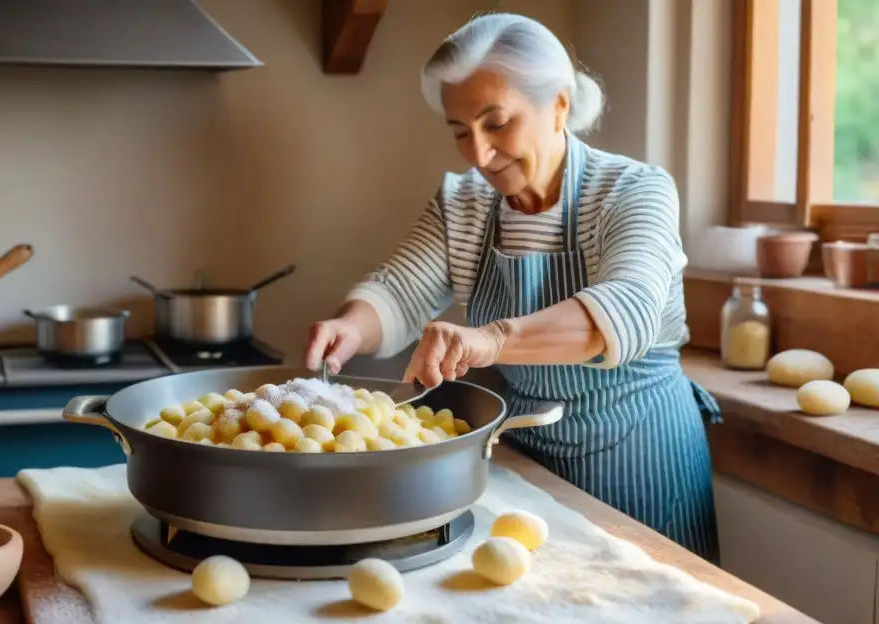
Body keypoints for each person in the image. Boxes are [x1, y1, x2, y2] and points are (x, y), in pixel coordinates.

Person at [304, 13, 722, 562]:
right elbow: (400, 291)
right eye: (459, 131)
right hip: (527, 457)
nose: (477, 154)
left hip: (641, 455)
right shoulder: (466, 201)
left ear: (559, 106)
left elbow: (629, 310)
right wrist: (350, 327)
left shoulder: (633, 191)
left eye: (496, 123)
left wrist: (493, 339)